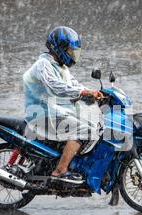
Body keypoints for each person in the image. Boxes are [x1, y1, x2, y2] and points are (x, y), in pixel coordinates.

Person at [23, 26, 103, 181]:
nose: (73, 55)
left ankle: (71, 162)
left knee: (90, 123)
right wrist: (82, 93)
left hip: (55, 112)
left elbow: (73, 85)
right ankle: (60, 170)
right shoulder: (43, 65)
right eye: (70, 51)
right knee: (85, 130)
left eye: (74, 52)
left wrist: (93, 92)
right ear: (59, 48)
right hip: (41, 115)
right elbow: (55, 87)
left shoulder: (60, 66)